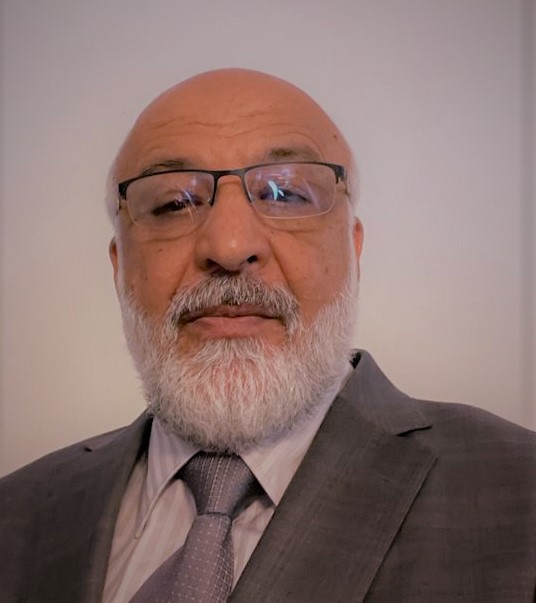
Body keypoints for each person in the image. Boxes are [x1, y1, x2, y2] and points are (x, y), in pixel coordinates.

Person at [0, 68, 535, 603]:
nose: (230, 247)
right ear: (120, 266)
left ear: (354, 251)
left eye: (285, 193)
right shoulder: (16, 513)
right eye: (173, 204)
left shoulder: (520, 491)